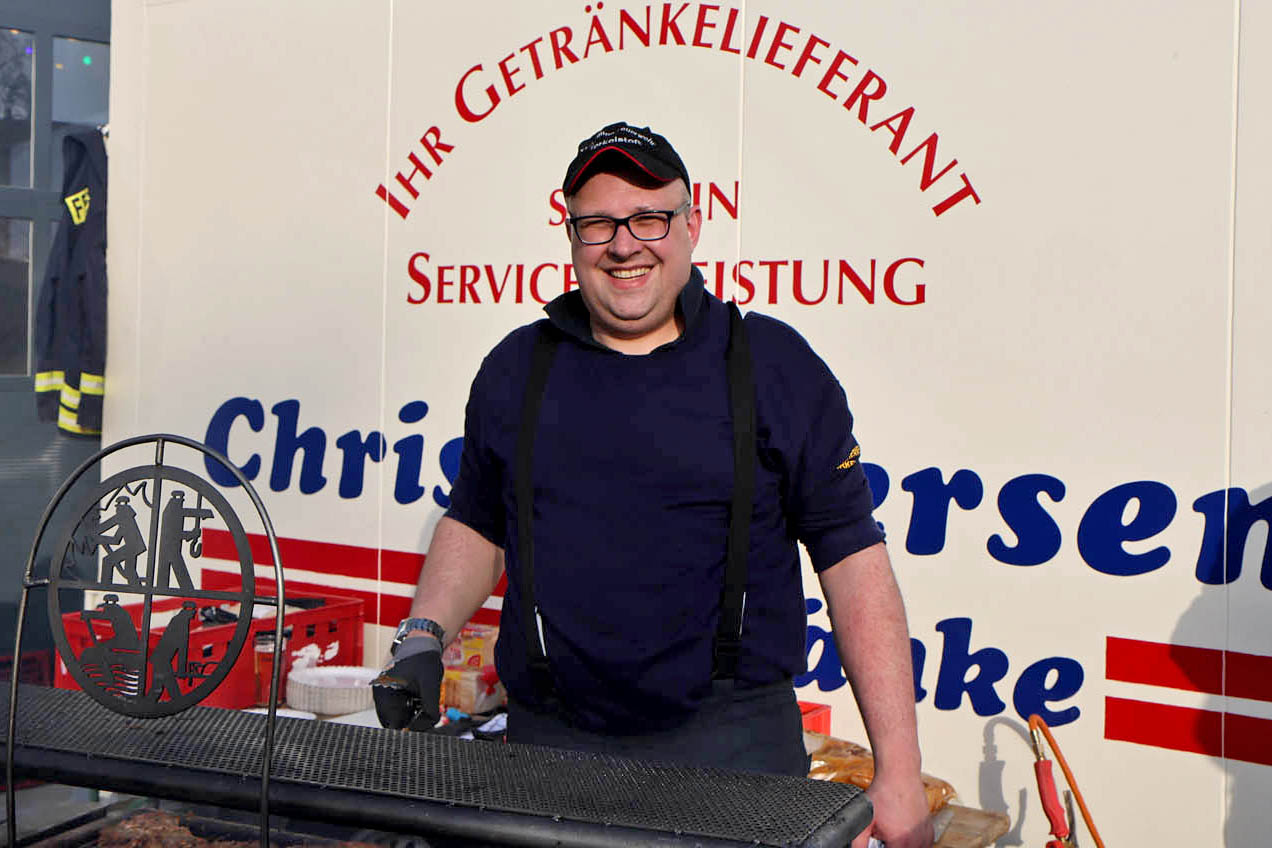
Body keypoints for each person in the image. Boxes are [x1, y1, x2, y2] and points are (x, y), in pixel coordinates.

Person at [374, 122, 933, 848]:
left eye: (649, 218)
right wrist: (421, 638)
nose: (624, 244)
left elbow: (852, 557)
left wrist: (899, 771)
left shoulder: (772, 364)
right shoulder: (516, 367)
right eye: (599, 223)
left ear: (691, 225)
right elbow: (478, 523)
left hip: (736, 763)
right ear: (571, 235)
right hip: (548, 758)